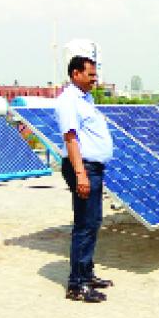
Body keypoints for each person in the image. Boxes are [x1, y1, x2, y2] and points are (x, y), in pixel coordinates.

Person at [56, 56, 115, 302]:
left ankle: (87, 273)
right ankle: (76, 284)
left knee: (93, 222)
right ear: (75, 74)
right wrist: (80, 174)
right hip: (83, 168)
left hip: (93, 168)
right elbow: (71, 139)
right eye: (91, 75)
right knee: (85, 224)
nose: (95, 79)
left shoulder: (85, 99)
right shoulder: (68, 101)